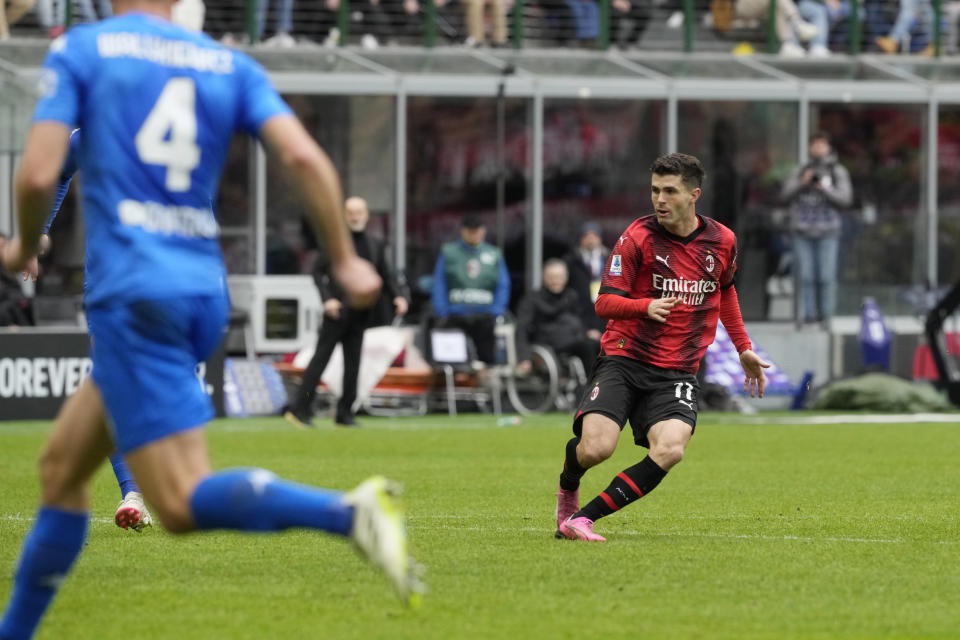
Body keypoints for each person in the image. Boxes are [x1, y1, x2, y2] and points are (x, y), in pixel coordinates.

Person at [0, 2, 420, 637]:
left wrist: (22, 243)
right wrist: (345, 259)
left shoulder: (84, 49)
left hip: (132, 291)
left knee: (178, 501)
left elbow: (38, 172)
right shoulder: (227, 63)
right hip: (200, 288)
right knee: (61, 469)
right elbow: (305, 160)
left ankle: (348, 514)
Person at [553, 153, 770, 542]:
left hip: (678, 369)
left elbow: (726, 290)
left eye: (670, 191)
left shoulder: (722, 241)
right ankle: (569, 481)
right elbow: (604, 303)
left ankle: (583, 519)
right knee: (596, 449)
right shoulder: (637, 237)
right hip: (624, 357)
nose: (660, 200)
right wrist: (644, 307)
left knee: (670, 449)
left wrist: (743, 348)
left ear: (693, 194)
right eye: (655, 190)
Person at [34, 128, 155, 533]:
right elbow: (53, 172)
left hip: (165, 280)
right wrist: (39, 229)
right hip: (109, 280)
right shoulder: (90, 130)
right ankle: (133, 492)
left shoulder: (181, 125)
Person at [284, 196, 410, 428]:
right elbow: (317, 273)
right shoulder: (335, 243)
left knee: (354, 364)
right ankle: (300, 408)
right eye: (351, 213)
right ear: (344, 215)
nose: (355, 217)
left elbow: (385, 273)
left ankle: (345, 413)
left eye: (359, 212)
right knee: (319, 361)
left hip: (362, 312)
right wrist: (328, 300)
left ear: (366, 215)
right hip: (337, 312)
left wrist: (398, 296)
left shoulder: (375, 243)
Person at [780, 131, 853, 328]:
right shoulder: (802, 170)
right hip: (802, 231)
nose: (818, 149)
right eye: (815, 145)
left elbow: (846, 199)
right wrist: (802, 183)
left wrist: (825, 188)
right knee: (805, 276)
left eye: (822, 145)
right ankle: (808, 316)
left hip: (828, 232)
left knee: (826, 276)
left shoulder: (838, 172)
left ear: (828, 147)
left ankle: (826, 318)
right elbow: (784, 194)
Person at [430, 214, 510, 365]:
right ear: (463, 231)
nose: (474, 234)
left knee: (487, 361)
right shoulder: (449, 252)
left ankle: (485, 388)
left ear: (483, 231)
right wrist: (442, 311)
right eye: (470, 230)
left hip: (485, 317)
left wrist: (497, 311)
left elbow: (503, 285)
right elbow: (439, 283)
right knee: (452, 361)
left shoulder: (494, 254)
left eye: (477, 230)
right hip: (454, 316)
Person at [515, 258, 599, 378]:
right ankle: (592, 387)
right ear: (544, 278)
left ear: (565, 278)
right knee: (587, 347)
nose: (556, 281)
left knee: (601, 344)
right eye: (552, 277)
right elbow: (522, 328)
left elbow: (579, 320)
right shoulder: (532, 299)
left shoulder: (571, 296)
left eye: (559, 276)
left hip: (575, 339)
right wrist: (524, 358)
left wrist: (587, 331)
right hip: (550, 344)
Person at [564, 221, 608, 340]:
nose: (591, 240)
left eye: (594, 237)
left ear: (600, 239)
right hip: (581, 313)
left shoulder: (610, 258)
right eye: (587, 237)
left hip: (605, 312)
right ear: (581, 239)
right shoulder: (571, 260)